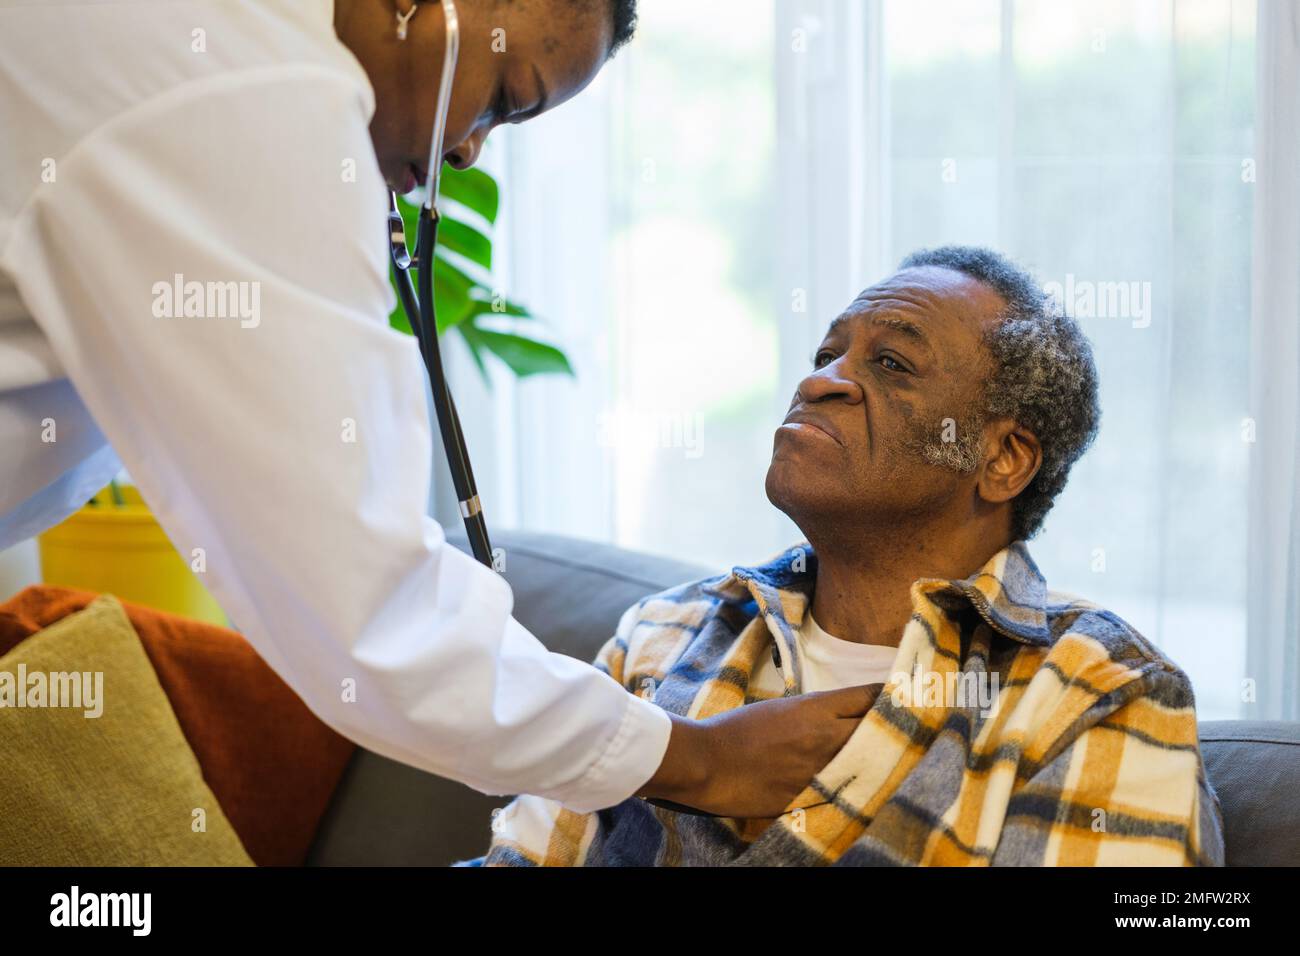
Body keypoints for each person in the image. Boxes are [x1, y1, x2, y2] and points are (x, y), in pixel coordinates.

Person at [0, 0, 875, 817]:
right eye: (502, 99)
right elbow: (365, 604)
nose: (468, 153)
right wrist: (701, 760)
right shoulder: (258, 96)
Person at [465, 247, 1226, 866]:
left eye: (891, 363)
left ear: (1002, 459)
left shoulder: (1098, 690)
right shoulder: (666, 630)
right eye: (828, 353)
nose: (818, 380)